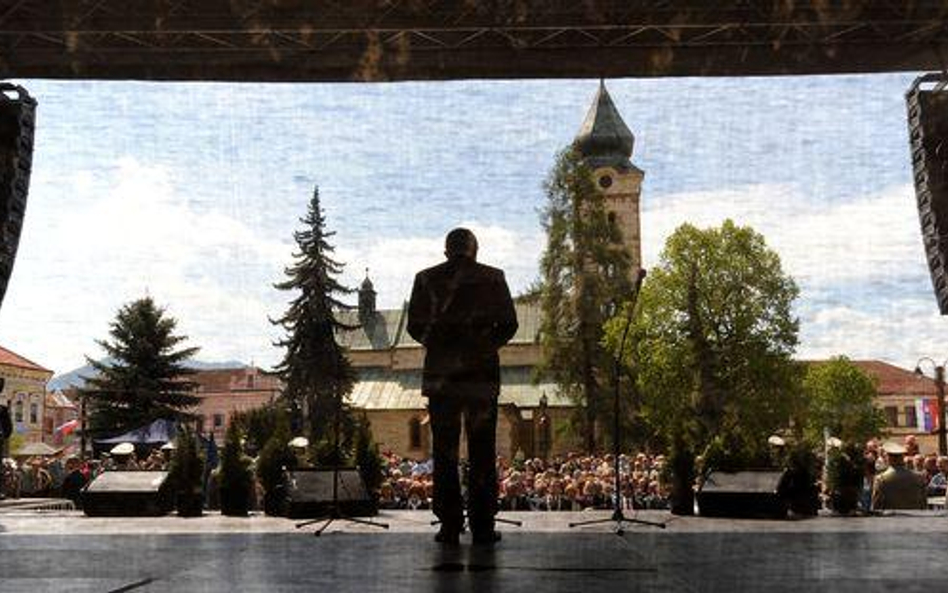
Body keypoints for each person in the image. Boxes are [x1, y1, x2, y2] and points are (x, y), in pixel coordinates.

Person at [407, 228, 518, 545]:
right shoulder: (493, 277)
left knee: (444, 453)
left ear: (446, 251)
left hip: (442, 379)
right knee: (482, 452)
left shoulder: (425, 279)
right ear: (475, 251)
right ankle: (483, 525)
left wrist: (443, 348)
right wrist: (482, 348)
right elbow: (509, 324)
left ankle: (449, 525)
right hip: (480, 379)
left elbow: (415, 326)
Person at [871, 442, 927, 511]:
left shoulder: (881, 479)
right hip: (916, 516)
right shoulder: (918, 477)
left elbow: (876, 504)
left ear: (889, 458)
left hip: (891, 516)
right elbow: (923, 503)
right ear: (902, 458)